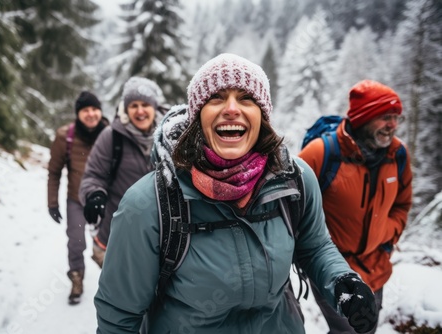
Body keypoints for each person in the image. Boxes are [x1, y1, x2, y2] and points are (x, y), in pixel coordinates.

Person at [92, 53, 378, 333]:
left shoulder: (296, 181)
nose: (231, 109)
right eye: (216, 97)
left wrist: (341, 280)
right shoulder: (148, 204)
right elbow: (119, 315)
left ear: (262, 116)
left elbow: (314, 246)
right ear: (197, 117)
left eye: (246, 98)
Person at [299, 79, 413, 333]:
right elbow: (293, 207)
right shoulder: (321, 153)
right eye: (385, 117)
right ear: (362, 118)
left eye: (396, 118)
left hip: (377, 265)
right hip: (331, 269)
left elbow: (402, 204)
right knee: (347, 331)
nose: (392, 125)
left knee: (366, 328)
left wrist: (386, 238)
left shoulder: (398, 155)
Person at [79, 76, 164, 268]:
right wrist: (94, 195)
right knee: (121, 292)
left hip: (161, 234)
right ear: (125, 109)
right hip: (116, 232)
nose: (140, 110)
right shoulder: (111, 137)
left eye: (145, 104)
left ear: (155, 107)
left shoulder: (170, 135)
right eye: (133, 105)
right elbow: (93, 175)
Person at [47, 91, 109, 305]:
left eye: (94, 109)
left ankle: (113, 279)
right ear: (78, 113)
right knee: (76, 241)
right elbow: (54, 172)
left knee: (110, 242)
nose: (91, 114)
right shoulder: (66, 137)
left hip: (106, 200)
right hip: (76, 199)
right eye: (85, 110)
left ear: (100, 111)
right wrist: (52, 203)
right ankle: (76, 278)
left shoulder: (111, 134)